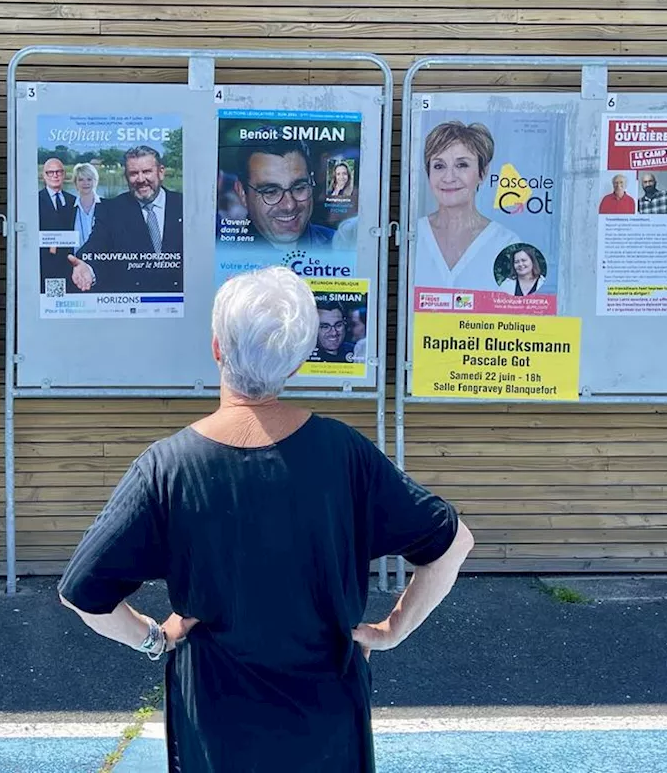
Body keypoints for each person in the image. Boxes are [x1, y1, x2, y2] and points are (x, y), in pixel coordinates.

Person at [59, 267, 473, 773]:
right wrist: (391, 630)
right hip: (329, 726)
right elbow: (452, 544)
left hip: (216, 731)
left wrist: (153, 636)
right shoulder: (346, 455)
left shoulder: (168, 468)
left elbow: (83, 591)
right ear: (296, 362)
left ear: (216, 348)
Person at [413, 121, 518, 291]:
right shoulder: (411, 236)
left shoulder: (506, 243)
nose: (449, 177)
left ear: (482, 172)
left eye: (461, 165)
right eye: (439, 166)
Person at [68, 145, 183, 293]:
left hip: (181, 304)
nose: (141, 179)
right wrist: (87, 268)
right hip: (134, 304)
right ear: (126, 177)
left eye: (147, 171)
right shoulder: (111, 210)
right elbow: (94, 248)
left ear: (161, 172)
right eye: (134, 173)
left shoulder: (184, 206)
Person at [232, 140, 333, 249]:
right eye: (271, 192)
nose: (289, 205)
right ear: (242, 193)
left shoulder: (341, 244)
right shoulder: (222, 254)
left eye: (299, 188)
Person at [37, 157, 77, 291]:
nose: (55, 175)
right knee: (52, 300)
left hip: (70, 261)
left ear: (64, 174)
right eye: (50, 172)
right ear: (44, 175)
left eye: (59, 172)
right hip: (46, 262)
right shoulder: (35, 200)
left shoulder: (73, 201)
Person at [312, 299, 356, 363]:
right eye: (325, 327)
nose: (334, 333)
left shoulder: (357, 351)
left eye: (338, 325)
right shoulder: (303, 356)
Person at [70, 162, 100, 251]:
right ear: (75, 183)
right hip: (75, 262)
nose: (85, 183)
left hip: (101, 262)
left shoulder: (107, 208)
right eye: (81, 179)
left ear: (95, 181)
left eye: (89, 179)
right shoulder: (68, 209)